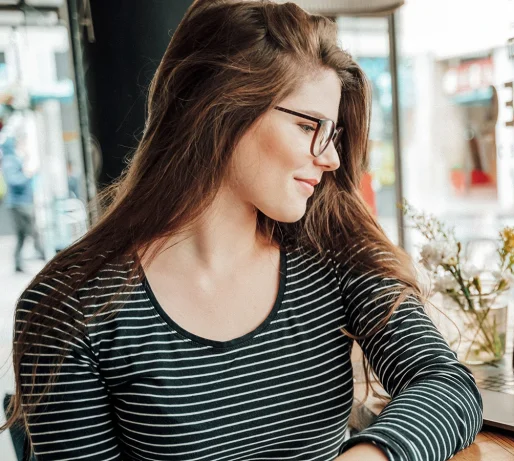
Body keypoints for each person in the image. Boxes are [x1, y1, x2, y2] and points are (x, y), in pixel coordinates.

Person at [6, 1, 483, 460]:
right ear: (218, 109)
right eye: (308, 125)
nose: (332, 158)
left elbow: (447, 385)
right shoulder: (71, 308)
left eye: (333, 133)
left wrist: (369, 454)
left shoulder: (331, 253)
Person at [1, 136, 47, 272]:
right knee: (32, 230)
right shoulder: (10, 160)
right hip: (20, 203)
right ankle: (43, 255)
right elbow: (13, 180)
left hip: (20, 201)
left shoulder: (12, 159)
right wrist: (27, 175)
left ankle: (19, 262)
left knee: (22, 234)